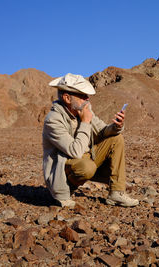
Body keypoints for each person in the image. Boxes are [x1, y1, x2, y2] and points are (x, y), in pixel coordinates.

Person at [42, 73, 139, 208]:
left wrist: (116, 126)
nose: (87, 99)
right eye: (82, 96)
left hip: (84, 159)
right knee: (87, 167)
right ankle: (65, 190)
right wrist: (86, 122)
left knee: (116, 139)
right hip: (65, 169)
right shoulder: (53, 120)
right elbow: (75, 151)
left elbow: (102, 131)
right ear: (67, 98)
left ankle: (116, 193)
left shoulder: (83, 111)